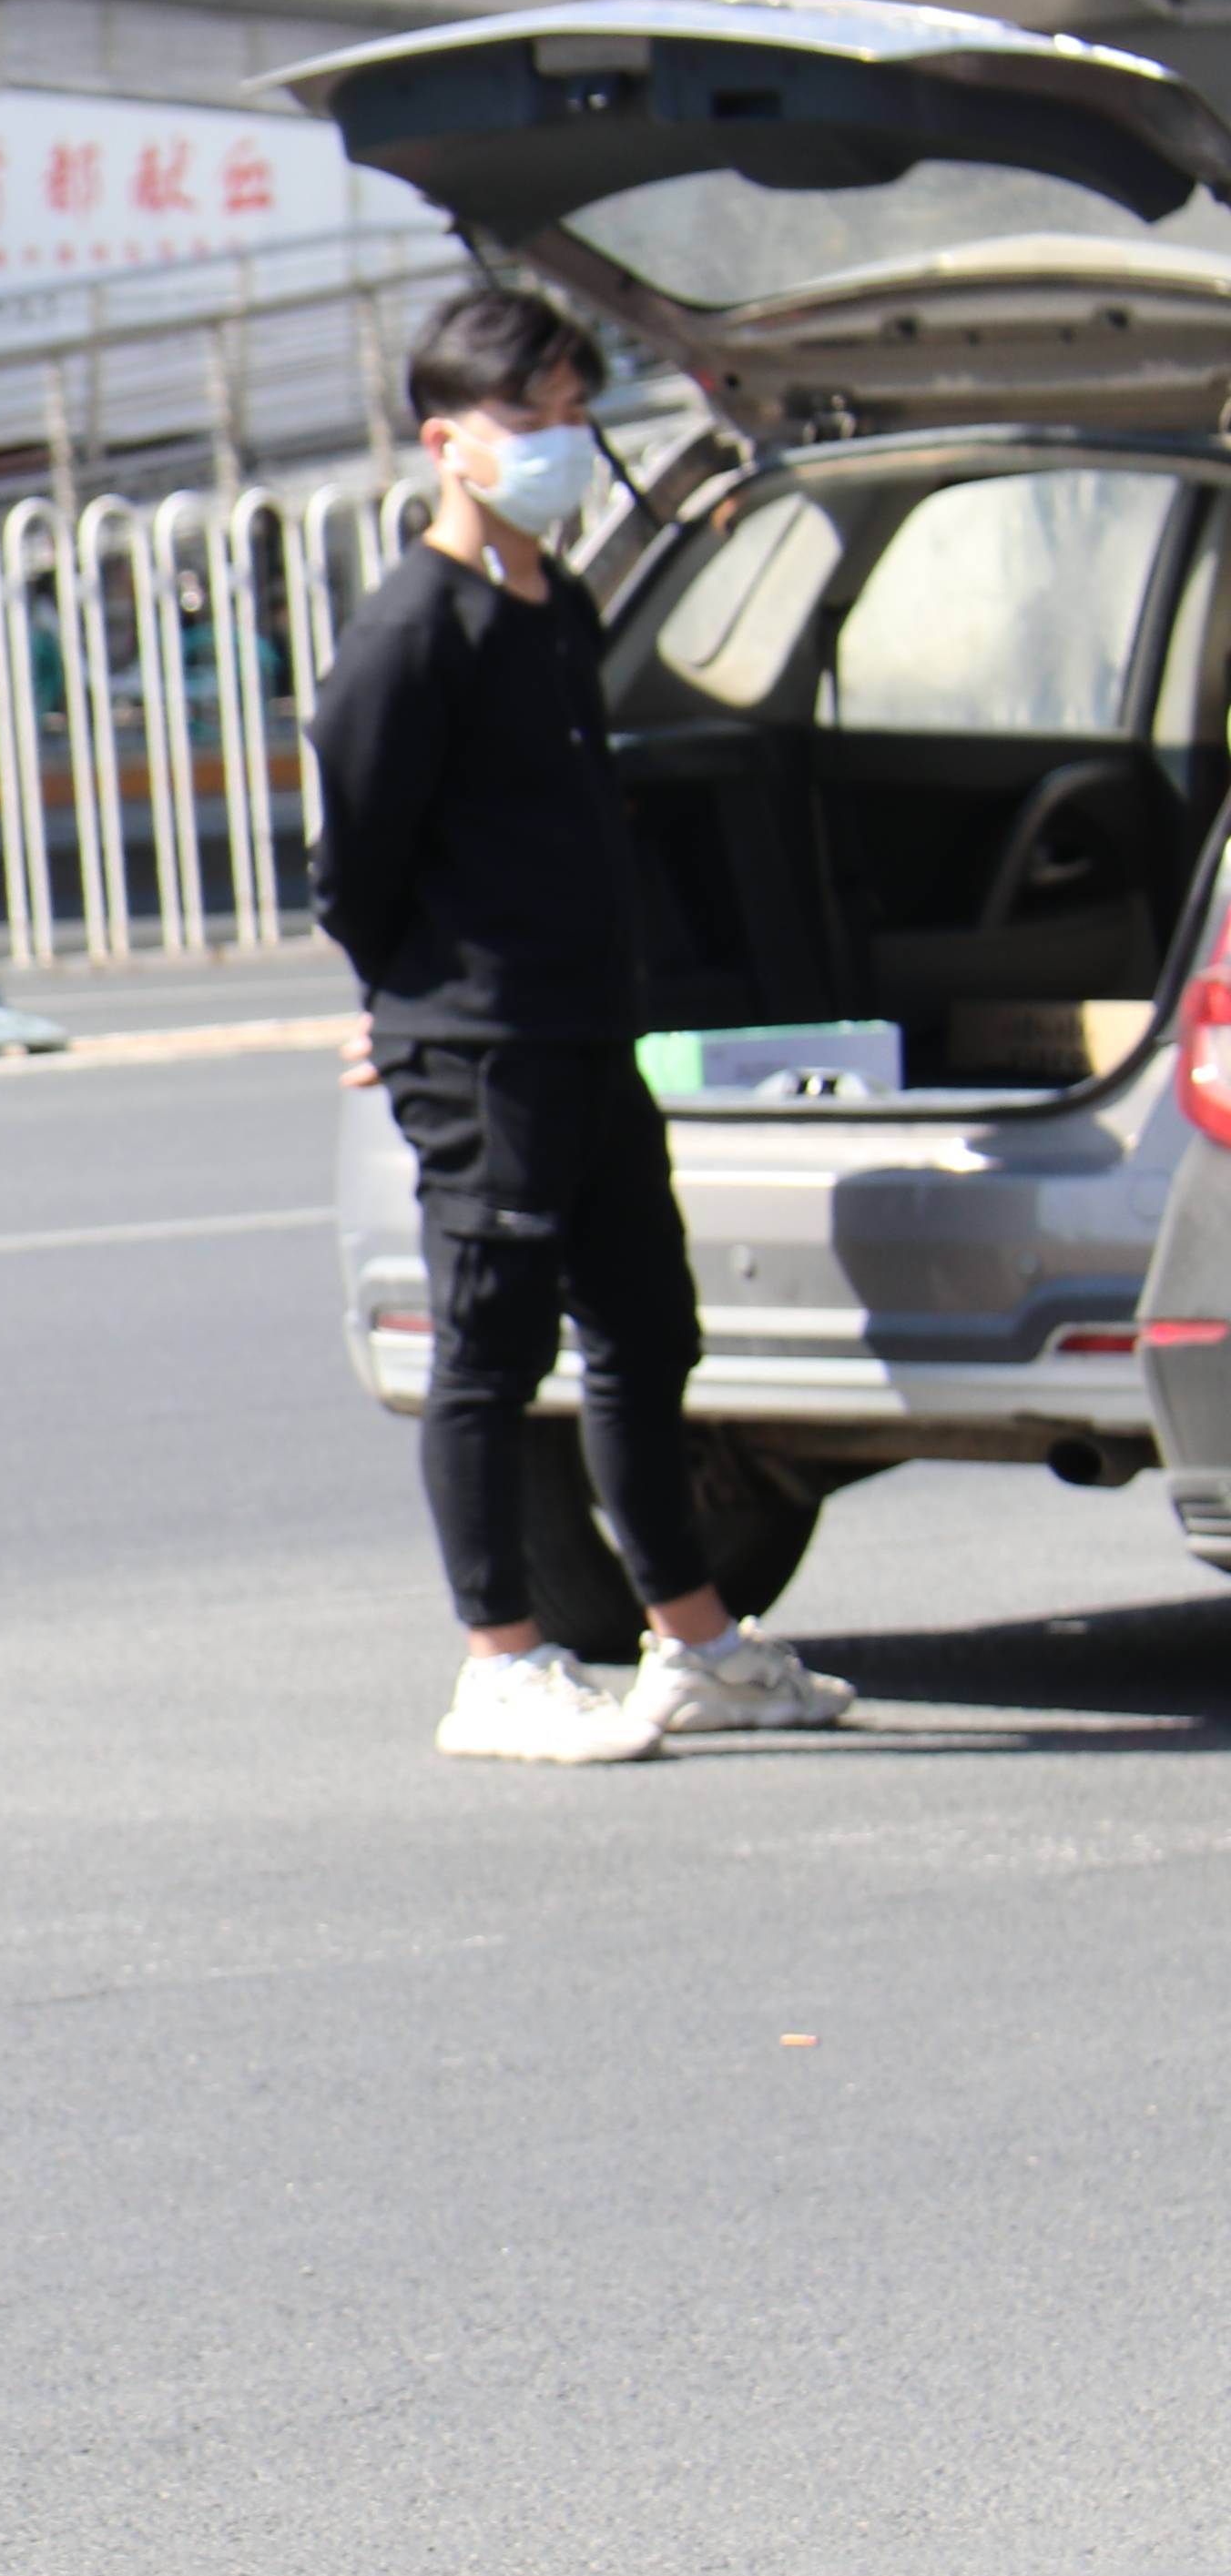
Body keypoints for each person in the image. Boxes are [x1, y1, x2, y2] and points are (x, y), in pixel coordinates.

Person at [310, 288, 854, 1764]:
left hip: (586, 1033)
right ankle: (501, 1661)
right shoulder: (413, 630)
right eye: (530, 417)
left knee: (645, 1328)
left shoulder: (559, 606)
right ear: (447, 441)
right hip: (482, 1044)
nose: (563, 441)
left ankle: (694, 1640)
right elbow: (353, 859)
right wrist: (405, 998)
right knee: (489, 1352)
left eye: (574, 412)